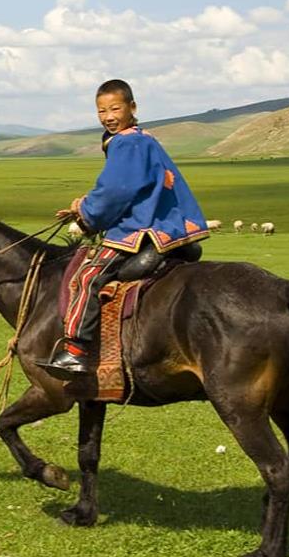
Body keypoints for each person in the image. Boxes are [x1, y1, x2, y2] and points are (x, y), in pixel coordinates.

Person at [41, 79, 209, 378]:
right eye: (101, 111)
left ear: (132, 107)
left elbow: (116, 191)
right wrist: (83, 205)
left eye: (115, 108)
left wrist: (87, 214)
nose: (108, 116)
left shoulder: (127, 142)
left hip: (143, 226)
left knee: (87, 275)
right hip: (167, 224)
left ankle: (75, 351)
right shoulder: (141, 138)